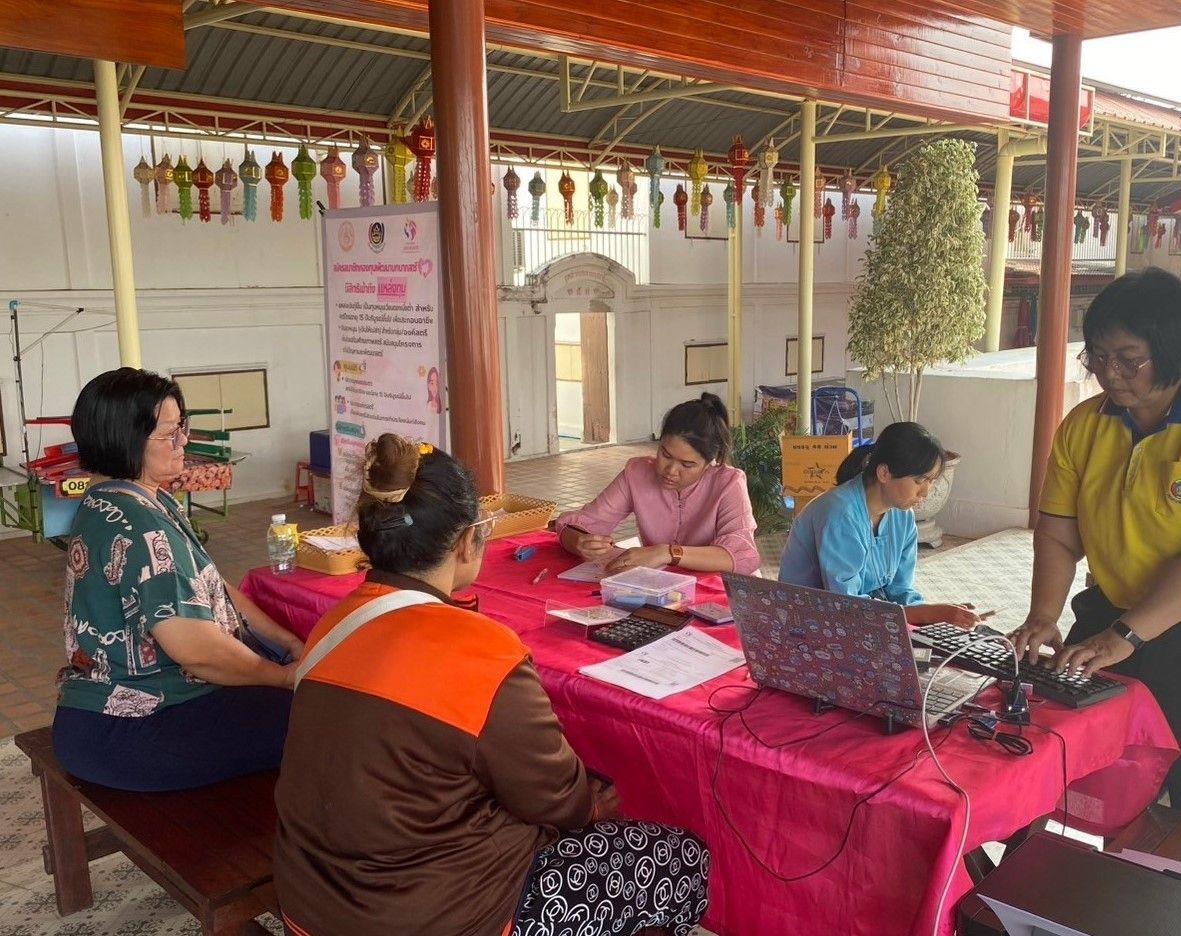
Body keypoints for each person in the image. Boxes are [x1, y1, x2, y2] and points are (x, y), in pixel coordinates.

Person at [274, 434, 710, 936]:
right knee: (679, 859)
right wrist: (589, 804)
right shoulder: (482, 652)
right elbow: (559, 802)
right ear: (464, 542)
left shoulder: (334, 624)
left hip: (309, 910)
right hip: (437, 918)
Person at [1013, 266, 1181, 829]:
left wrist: (1124, 638)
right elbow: (1058, 533)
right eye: (1096, 356)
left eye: (1128, 358)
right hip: (1110, 615)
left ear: (1175, 351)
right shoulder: (1084, 425)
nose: (1108, 373)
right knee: (1071, 757)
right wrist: (1043, 616)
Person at [52, 367, 302, 792]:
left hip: (94, 722)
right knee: (323, 721)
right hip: (134, 732)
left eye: (182, 427)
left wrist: (290, 643)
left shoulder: (112, 499)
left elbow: (210, 584)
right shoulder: (140, 521)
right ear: (127, 441)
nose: (183, 441)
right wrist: (283, 677)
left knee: (298, 704)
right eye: (171, 433)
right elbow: (196, 650)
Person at [778, 422, 980, 626]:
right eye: (919, 481)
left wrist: (936, 618)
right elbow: (846, 606)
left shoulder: (903, 516)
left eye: (932, 481)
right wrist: (929, 614)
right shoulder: (840, 514)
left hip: (862, 619)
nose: (926, 493)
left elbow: (900, 591)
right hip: (808, 621)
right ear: (884, 473)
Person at [555, 392, 760, 574]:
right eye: (665, 454)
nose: (670, 471)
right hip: (658, 587)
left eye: (687, 465)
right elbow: (576, 523)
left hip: (716, 592)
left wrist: (666, 553)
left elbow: (741, 556)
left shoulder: (729, 483)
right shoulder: (637, 473)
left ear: (709, 463)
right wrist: (579, 542)